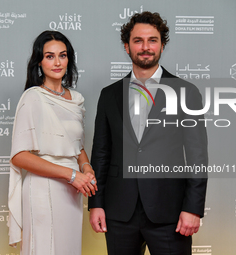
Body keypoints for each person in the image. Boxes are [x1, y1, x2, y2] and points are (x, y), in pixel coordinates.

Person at [88, 12, 208, 255]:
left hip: (170, 214)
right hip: (119, 213)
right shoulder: (109, 95)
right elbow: (101, 154)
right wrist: (96, 204)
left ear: (162, 45)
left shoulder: (186, 92)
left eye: (152, 40)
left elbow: (198, 157)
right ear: (126, 45)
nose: (145, 47)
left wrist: (193, 209)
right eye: (138, 40)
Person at [8, 30, 97, 255]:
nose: (57, 62)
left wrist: (86, 168)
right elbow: (20, 156)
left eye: (62, 55)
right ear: (39, 61)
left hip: (72, 192)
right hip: (43, 188)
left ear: (69, 59)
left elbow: (77, 146)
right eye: (49, 56)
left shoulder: (76, 99)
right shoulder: (33, 97)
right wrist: (72, 175)